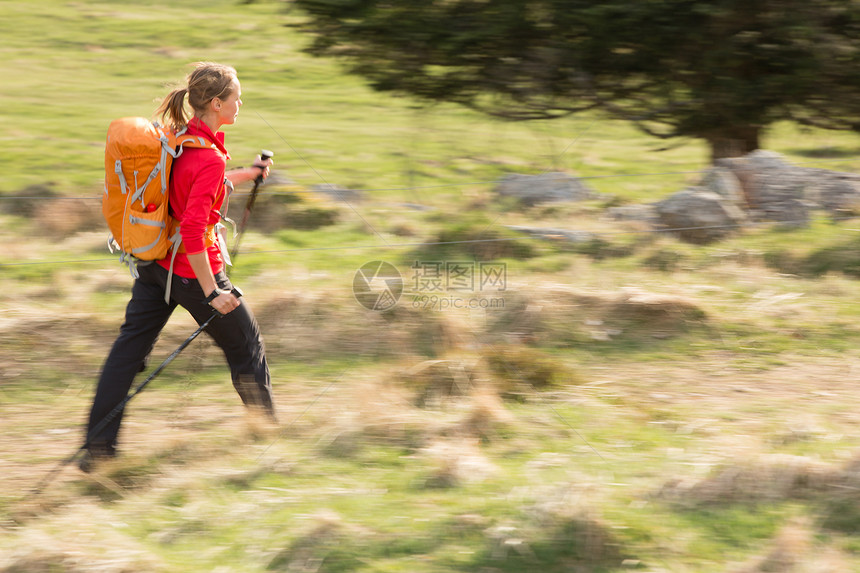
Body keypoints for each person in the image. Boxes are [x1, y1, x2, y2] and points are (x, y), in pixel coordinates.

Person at [81, 62, 276, 471]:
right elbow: (193, 226)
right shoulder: (208, 158)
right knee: (248, 346)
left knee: (127, 353)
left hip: (153, 265)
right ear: (218, 103)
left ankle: (97, 453)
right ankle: (269, 436)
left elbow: (193, 189)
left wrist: (246, 173)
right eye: (237, 98)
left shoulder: (180, 139)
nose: (241, 105)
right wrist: (213, 292)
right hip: (191, 272)